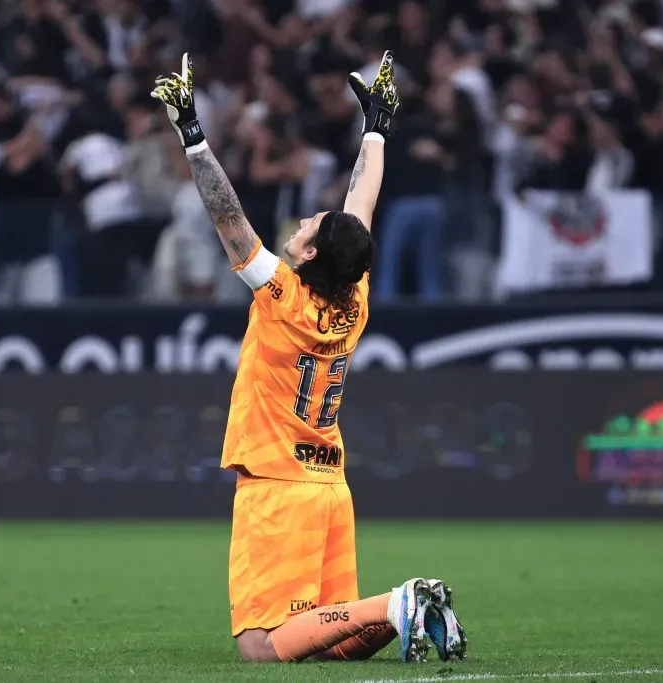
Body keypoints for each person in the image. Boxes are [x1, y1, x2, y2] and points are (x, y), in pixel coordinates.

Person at [151, 52, 467, 664]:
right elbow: (362, 205)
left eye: (310, 225)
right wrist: (377, 128)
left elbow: (227, 217)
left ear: (313, 255)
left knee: (261, 647)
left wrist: (192, 135)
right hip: (330, 487)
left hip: (277, 486)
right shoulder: (355, 299)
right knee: (330, 643)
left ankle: (396, 603)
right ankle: (407, 609)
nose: (302, 221)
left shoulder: (282, 297)